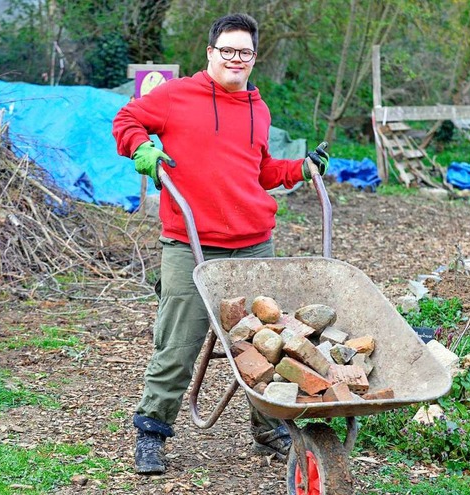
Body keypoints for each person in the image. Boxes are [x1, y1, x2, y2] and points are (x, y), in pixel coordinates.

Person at [112, 13, 329, 475]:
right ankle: (151, 432)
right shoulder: (173, 96)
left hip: (254, 245)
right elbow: (127, 118)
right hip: (190, 245)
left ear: (254, 58)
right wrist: (140, 149)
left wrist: (300, 169)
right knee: (178, 344)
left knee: (266, 343)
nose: (236, 59)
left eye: (245, 52)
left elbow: (262, 171)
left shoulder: (258, 107)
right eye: (227, 50)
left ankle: (269, 427)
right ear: (211, 52)